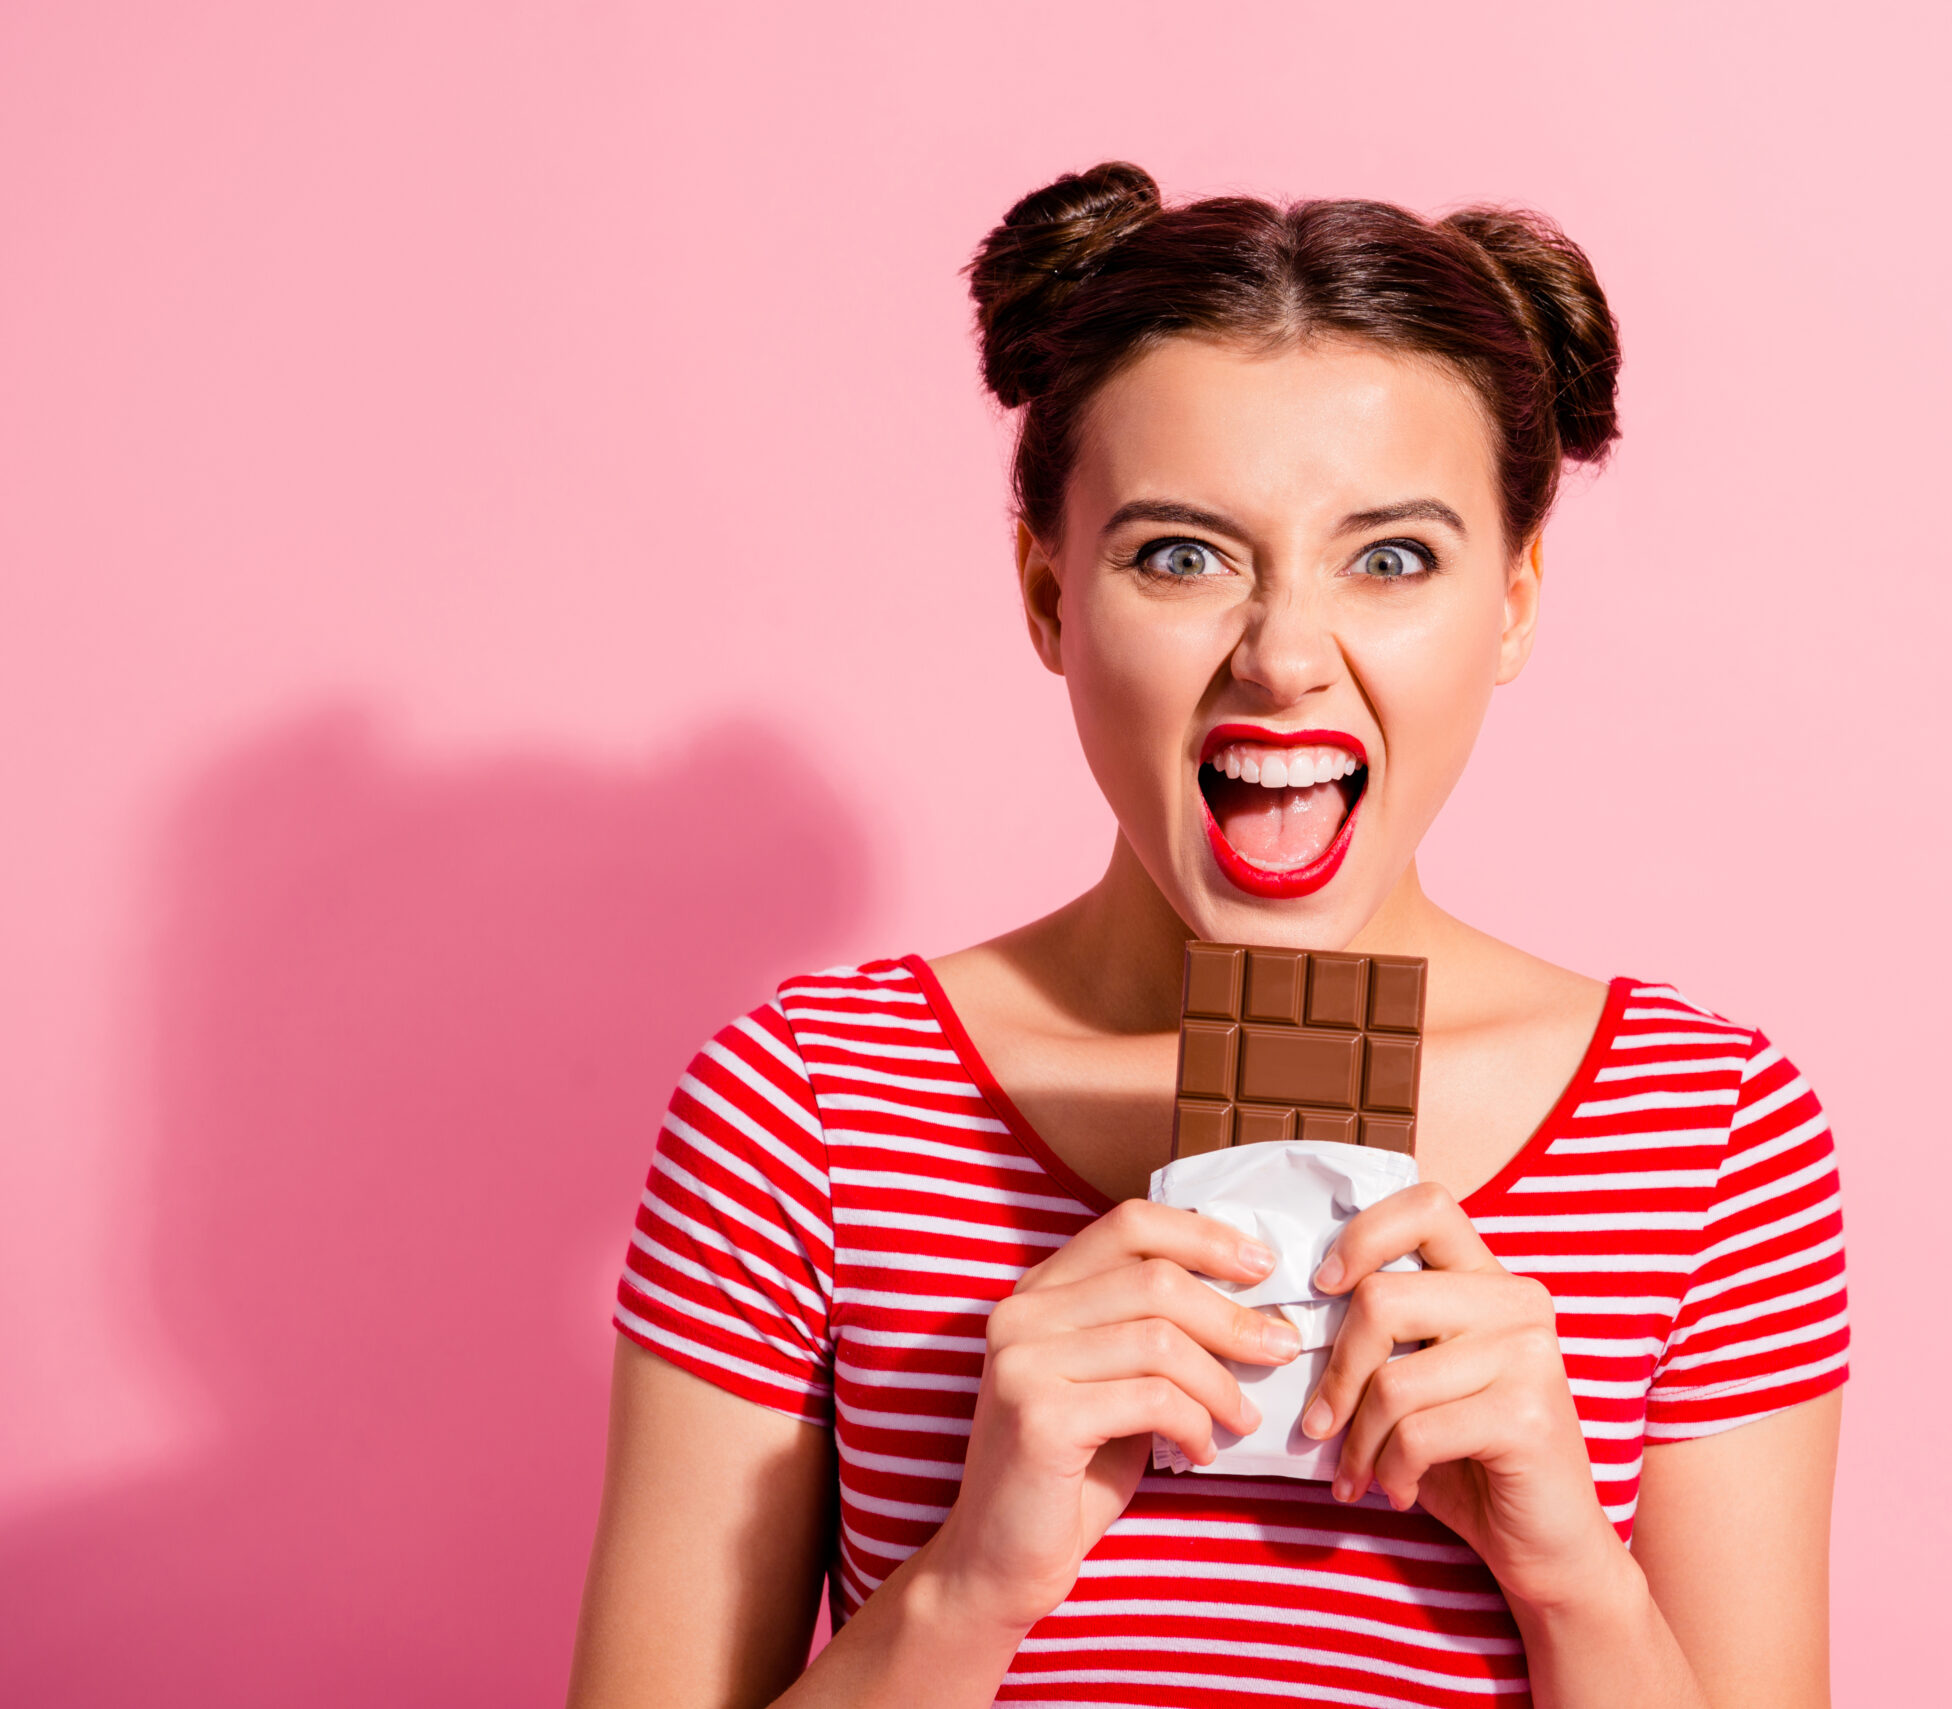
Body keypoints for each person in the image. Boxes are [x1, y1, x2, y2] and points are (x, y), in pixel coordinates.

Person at [566, 162, 1849, 1709]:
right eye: (1181, 554)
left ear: (1512, 598)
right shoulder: (804, 1109)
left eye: (1393, 558)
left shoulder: (1709, 1131)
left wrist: (1569, 1563)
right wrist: (977, 1576)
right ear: (1050, 590)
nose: (1287, 656)